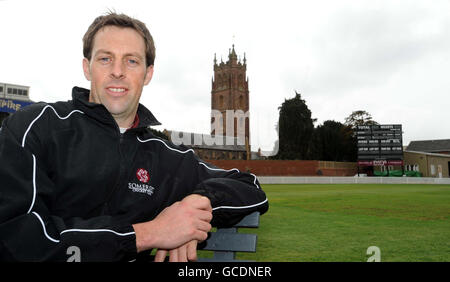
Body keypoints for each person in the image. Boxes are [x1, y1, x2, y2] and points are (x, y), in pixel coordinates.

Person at [0, 12, 268, 262]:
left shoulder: (165, 155)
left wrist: (197, 203)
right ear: (87, 67)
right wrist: (149, 233)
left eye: (132, 60)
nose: (118, 71)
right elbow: (15, 237)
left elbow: (250, 187)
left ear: (148, 73)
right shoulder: (34, 127)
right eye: (105, 58)